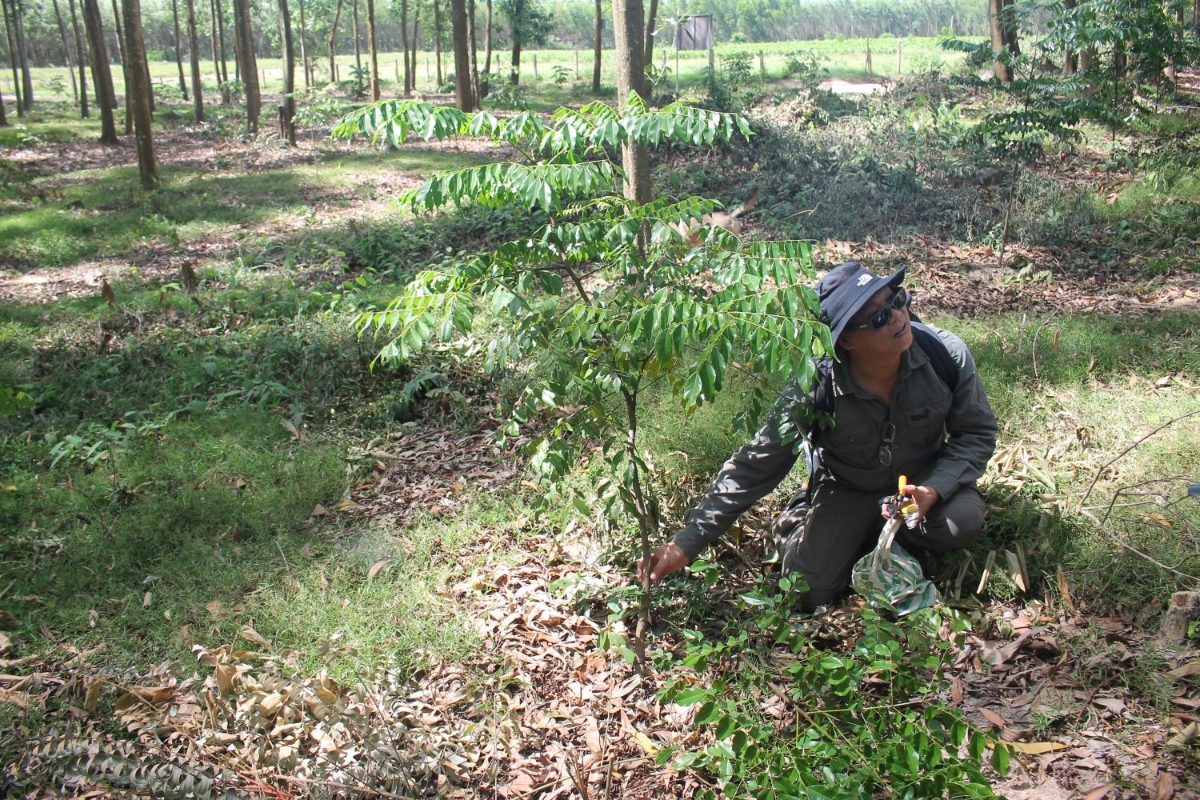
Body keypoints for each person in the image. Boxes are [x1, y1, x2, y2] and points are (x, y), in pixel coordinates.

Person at [638, 262, 998, 611]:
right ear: (846, 340)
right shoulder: (814, 387)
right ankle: (802, 515)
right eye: (877, 318)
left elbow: (976, 434)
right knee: (808, 591)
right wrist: (686, 543)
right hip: (849, 486)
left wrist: (933, 490)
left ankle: (882, 526)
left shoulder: (944, 354)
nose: (897, 316)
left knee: (960, 524)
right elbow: (756, 464)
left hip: (919, 482)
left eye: (897, 299)